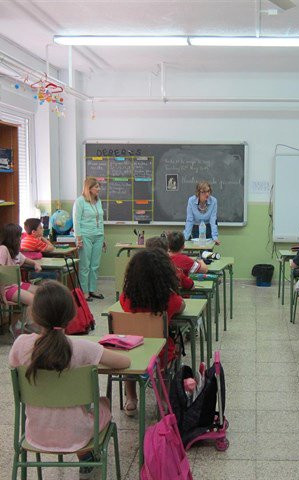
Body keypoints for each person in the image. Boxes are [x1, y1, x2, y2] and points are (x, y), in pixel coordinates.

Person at [9, 281, 130, 479]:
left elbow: (16, 366)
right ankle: (86, 455)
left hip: (35, 433)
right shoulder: (83, 348)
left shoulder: (20, 345)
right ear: (71, 315)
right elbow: (124, 362)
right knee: (103, 403)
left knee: (62, 408)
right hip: (79, 434)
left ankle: (86, 456)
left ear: (33, 314)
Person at [119, 249, 185, 416]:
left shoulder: (126, 299)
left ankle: (131, 398)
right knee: (168, 351)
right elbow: (181, 306)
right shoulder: (169, 300)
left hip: (131, 351)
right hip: (159, 354)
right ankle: (162, 399)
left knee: (131, 360)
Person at [0, 223, 42, 336]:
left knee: (41, 293)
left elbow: (25, 259)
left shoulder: (13, 250)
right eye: (19, 236)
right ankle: (21, 326)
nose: (20, 238)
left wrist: (34, 263)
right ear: (11, 237)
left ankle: (22, 324)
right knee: (33, 300)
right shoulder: (2, 250)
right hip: (3, 289)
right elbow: (0, 274)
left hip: (15, 285)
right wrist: (3, 296)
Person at [73, 177, 106, 301]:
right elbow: (76, 221)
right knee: (85, 265)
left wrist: (103, 237)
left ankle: (92, 289)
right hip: (85, 236)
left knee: (95, 265)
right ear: (89, 188)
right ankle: (84, 292)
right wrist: (79, 238)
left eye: (99, 186)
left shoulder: (98, 201)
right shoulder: (80, 201)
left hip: (98, 235)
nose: (99, 189)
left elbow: (101, 220)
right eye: (96, 187)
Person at [183, 181, 220, 245]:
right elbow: (190, 220)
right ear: (198, 193)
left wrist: (215, 237)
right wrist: (185, 238)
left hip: (208, 227)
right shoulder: (191, 201)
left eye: (208, 191)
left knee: (207, 252)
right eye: (204, 192)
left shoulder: (213, 201)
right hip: (196, 227)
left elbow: (213, 219)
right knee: (198, 248)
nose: (207, 194)